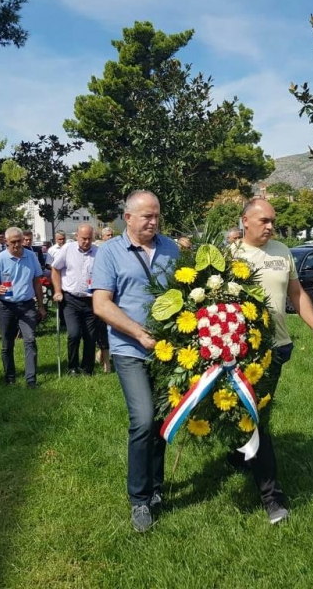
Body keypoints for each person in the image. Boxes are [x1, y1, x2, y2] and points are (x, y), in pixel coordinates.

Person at [231, 197, 313, 524]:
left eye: (273, 220)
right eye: (264, 221)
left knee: (256, 415)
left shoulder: (283, 251)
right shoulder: (229, 256)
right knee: (245, 412)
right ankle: (246, 461)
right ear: (245, 221)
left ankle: (271, 496)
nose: (271, 226)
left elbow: (296, 294)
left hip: (275, 348)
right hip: (239, 351)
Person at [92, 191, 180, 532]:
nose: (154, 222)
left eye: (157, 215)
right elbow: (101, 304)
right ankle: (139, 500)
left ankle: (155, 487)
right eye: (146, 216)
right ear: (127, 218)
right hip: (129, 349)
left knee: (161, 420)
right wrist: (140, 334)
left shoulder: (171, 248)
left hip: (167, 352)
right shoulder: (110, 252)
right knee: (142, 418)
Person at [0, 227, 47, 388]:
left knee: (30, 340)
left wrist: (41, 306)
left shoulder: (31, 256)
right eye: (13, 242)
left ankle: (31, 379)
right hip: (6, 305)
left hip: (27, 305)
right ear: (6, 242)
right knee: (7, 343)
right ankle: (10, 376)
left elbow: (37, 281)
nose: (16, 245)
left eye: (19, 241)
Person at [51, 224, 99, 376]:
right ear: (77, 236)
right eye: (83, 238)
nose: (86, 241)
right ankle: (72, 366)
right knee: (74, 334)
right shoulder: (67, 249)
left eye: (89, 239)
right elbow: (55, 268)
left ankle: (87, 368)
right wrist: (58, 291)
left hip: (91, 300)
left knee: (90, 337)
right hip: (71, 299)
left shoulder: (98, 252)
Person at [93, 227, 114, 372]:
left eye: (112, 234)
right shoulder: (98, 248)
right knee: (102, 328)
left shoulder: (119, 249)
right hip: (100, 292)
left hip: (115, 293)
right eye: (108, 235)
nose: (110, 236)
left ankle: (103, 354)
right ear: (102, 236)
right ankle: (106, 361)